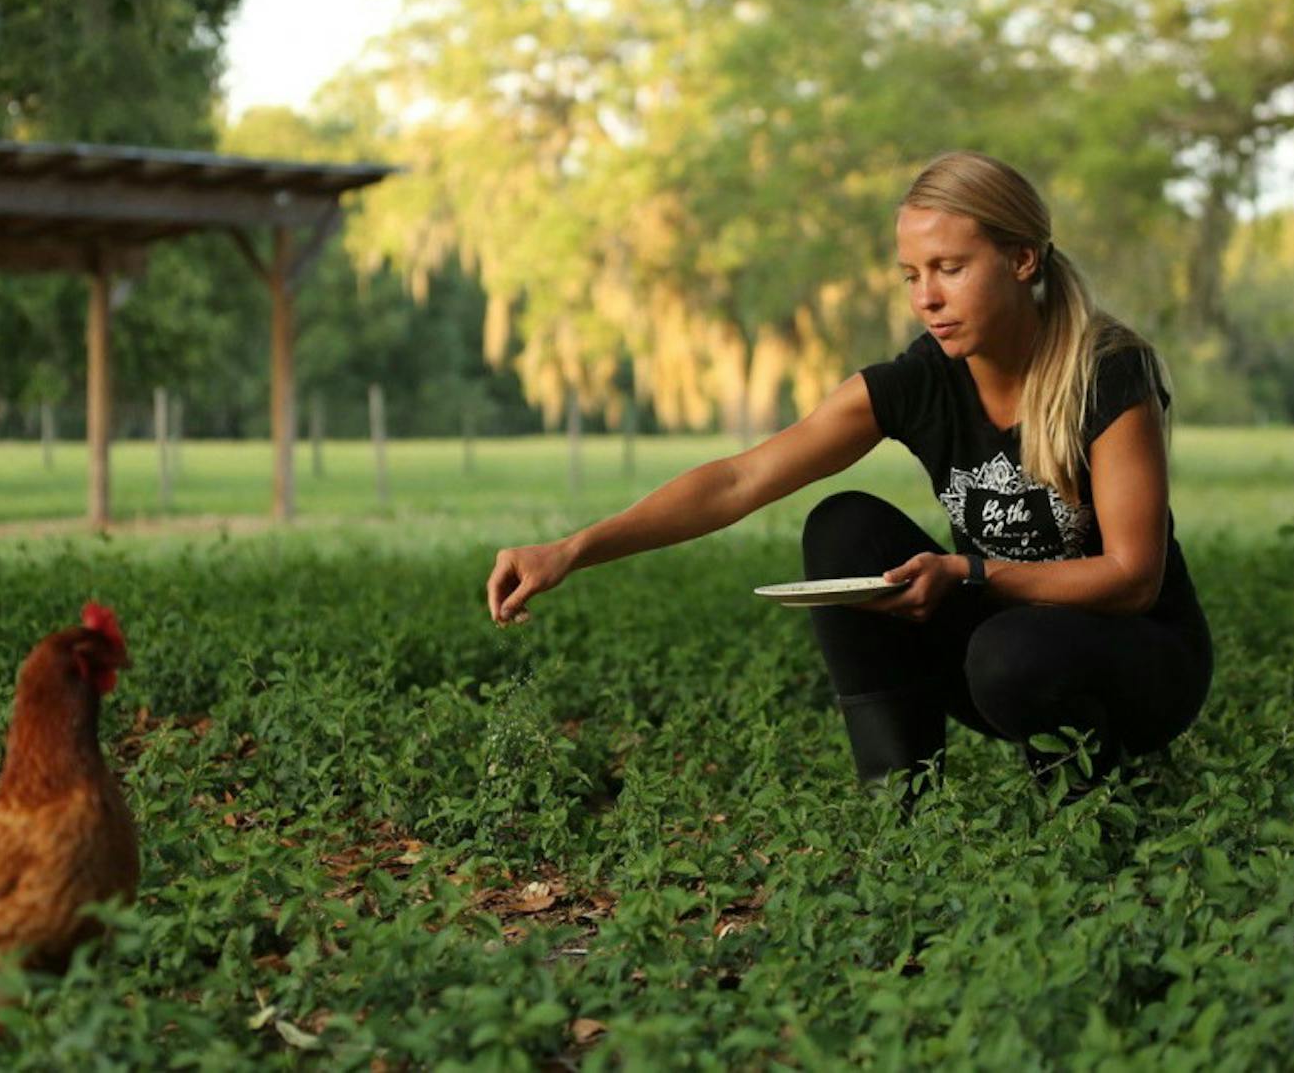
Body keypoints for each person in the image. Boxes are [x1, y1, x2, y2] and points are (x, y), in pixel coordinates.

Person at [485, 150, 1212, 804]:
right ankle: (899, 802)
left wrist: (967, 572)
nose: (926, 297)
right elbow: (740, 480)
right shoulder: (921, 380)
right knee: (844, 528)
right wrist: (572, 549)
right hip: (999, 648)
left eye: (950, 269)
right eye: (911, 275)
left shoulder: (1108, 372)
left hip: (1141, 661)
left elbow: (1132, 578)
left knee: (1010, 649)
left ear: (1022, 260)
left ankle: (1090, 810)